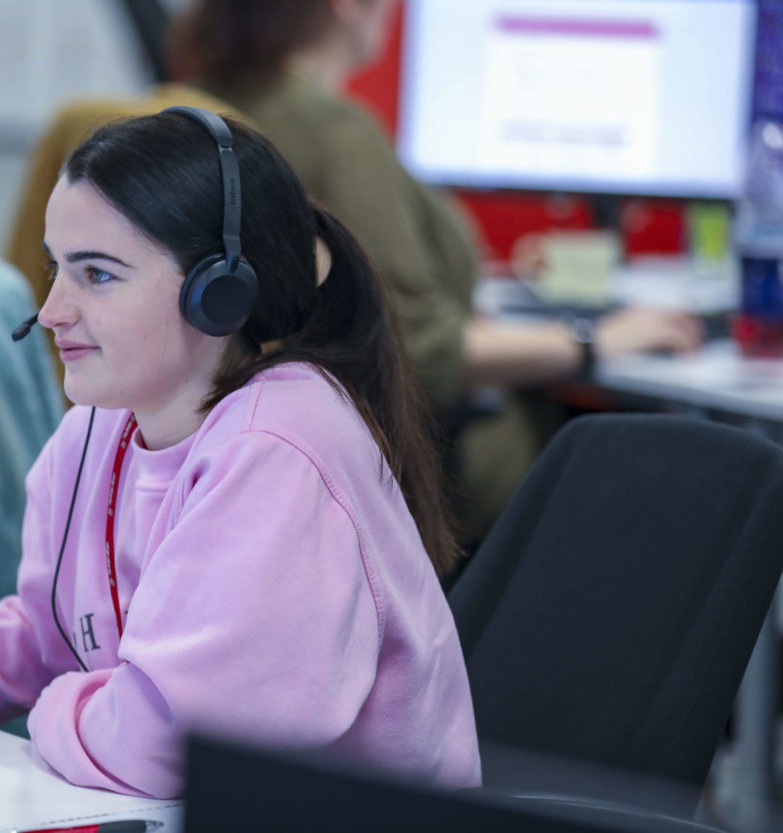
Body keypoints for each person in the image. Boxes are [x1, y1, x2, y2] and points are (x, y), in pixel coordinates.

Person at [0, 109, 479, 798]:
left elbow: (167, 749)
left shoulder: (280, 446)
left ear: (219, 293)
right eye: (58, 267)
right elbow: (46, 637)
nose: (53, 308)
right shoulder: (96, 428)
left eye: (98, 275)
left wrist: (54, 707)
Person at [162, 0, 705, 538]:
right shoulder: (334, 131)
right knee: (690, 481)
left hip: (256, 454)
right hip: (429, 473)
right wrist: (595, 338)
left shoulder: (207, 105)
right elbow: (420, 348)